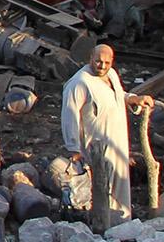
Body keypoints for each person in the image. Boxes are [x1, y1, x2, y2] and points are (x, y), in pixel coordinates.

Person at [60, 43, 155, 229]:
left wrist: (134, 99)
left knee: (120, 186)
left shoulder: (111, 75)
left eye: (106, 62)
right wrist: (74, 148)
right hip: (97, 146)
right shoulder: (79, 83)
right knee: (103, 188)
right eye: (98, 61)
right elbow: (69, 115)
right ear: (90, 60)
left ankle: (123, 226)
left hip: (117, 142)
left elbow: (118, 96)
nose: (102, 66)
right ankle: (103, 229)